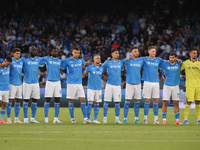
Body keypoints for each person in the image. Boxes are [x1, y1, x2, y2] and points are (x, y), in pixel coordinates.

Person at [61, 47, 92, 124]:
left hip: (79, 84)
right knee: (71, 101)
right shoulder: (67, 61)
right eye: (75, 52)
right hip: (71, 84)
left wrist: (94, 62)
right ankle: (72, 118)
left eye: (78, 53)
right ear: (72, 52)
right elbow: (62, 68)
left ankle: (85, 118)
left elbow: (86, 64)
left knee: (83, 100)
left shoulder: (80, 60)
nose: (77, 54)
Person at [21, 46, 44, 123]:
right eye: (33, 50)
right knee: (26, 100)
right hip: (26, 83)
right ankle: (25, 119)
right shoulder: (24, 58)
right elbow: (17, 62)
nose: (34, 51)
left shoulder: (38, 59)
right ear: (29, 51)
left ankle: (33, 118)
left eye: (35, 50)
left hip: (35, 83)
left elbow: (45, 63)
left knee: (35, 100)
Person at [142, 46, 164, 124]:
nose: (153, 53)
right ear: (148, 52)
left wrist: (176, 60)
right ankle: (145, 119)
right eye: (152, 51)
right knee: (147, 100)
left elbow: (167, 62)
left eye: (154, 51)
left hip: (155, 82)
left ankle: (156, 120)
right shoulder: (144, 59)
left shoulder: (158, 60)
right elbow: (135, 61)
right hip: (147, 82)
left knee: (156, 100)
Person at [160, 52, 183, 125]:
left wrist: (180, 60)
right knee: (165, 102)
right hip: (167, 85)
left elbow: (185, 63)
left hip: (176, 85)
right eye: (170, 57)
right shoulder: (165, 63)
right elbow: (157, 64)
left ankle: (177, 120)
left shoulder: (179, 63)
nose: (171, 59)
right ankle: (164, 120)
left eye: (173, 57)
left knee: (176, 103)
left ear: (176, 58)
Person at [123, 47, 144, 124]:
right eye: (135, 51)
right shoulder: (127, 60)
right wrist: (126, 58)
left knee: (137, 101)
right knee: (127, 101)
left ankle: (136, 119)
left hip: (138, 83)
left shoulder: (140, 61)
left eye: (137, 51)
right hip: (129, 83)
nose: (137, 52)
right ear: (131, 52)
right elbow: (120, 63)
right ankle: (125, 118)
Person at [102, 49, 124, 124]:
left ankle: (117, 119)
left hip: (118, 85)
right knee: (106, 102)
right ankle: (105, 119)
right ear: (112, 54)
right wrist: (102, 76)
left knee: (117, 102)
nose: (117, 54)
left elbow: (123, 70)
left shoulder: (120, 62)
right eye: (116, 53)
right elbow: (101, 68)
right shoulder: (108, 62)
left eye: (118, 53)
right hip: (109, 84)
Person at [82, 54, 106, 124]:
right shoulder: (89, 67)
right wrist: (79, 78)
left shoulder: (102, 68)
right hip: (91, 88)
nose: (99, 59)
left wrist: (109, 79)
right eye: (97, 58)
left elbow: (102, 77)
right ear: (93, 59)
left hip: (99, 88)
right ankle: (88, 119)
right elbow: (84, 74)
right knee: (89, 103)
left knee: (97, 104)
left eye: (99, 58)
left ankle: (95, 119)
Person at [42, 48, 63, 124]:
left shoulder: (60, 61)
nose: (55, 52)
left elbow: (63, 68)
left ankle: (56, 119)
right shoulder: (47, 59)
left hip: (57, 82)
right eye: (54, 51)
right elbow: (39, 60)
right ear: (51, 52)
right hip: (49, 82)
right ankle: (46, 119)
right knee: (47, 100)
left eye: (56, 51)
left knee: (57, 100)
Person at [180, 49, 200, 125]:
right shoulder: (185, 63)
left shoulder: (199, 63)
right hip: (190, 86)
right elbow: (179, 70)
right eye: (194, 53)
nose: (195, 54)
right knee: (189, 102)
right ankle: (185, 119)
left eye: (196, 53)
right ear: (190, 54)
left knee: (198, 102)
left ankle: (198, 120)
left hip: (198, 85)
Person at [7, 48, 23, 124]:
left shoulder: (21, 62)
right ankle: (9, 118)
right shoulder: (10, 62)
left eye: (19, 53)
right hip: (11, 83)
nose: (18, 55)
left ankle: (16, 118)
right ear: (13, 54)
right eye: (17, 53)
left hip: (19, 84)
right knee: (10, 101)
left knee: (18, 101)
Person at [0, 56, 12, 124]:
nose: (8, 65)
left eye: (9, 64)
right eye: (8, 64)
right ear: (5, 60)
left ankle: (2, 120)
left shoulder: (8, 67)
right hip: (0, 89)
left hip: (6, 90)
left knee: (4, 104)